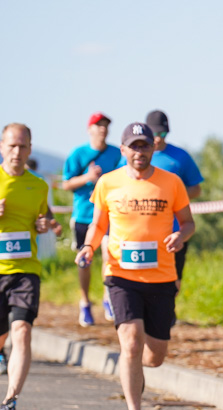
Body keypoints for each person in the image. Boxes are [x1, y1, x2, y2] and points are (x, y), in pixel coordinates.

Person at [75, 122, 195, 410]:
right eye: (133, 146)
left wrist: (180, 236)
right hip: (121, 276)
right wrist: (88, 246)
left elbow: (188, 223)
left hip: (161, 277)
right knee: (130, 343)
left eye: (144, 146)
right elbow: (97, 225)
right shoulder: (108, 183)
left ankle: (136, 370)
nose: (139, 152)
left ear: (152, 148)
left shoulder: (171, 183)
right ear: (123, 150)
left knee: (153, 357)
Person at [0, 124, 60, 410]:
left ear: (30, 149)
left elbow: (41, 217)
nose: (17, 152)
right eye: (11, 146)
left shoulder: (38, 185)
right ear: (1, 147)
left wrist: (42, 225)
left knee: (21, 331)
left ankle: (9, 401)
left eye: (23, 146)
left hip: (25, 270)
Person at [61, 112, 122, 326]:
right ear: (90, 129)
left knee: (109, 254)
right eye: (98, 125)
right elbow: (66, 184)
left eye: (106, 125)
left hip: (108, 215)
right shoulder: (78, 154)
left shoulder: (116, 153)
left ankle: (108, 298)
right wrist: (88, 177)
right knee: (85, 260)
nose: (103, 129)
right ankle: (85, 303)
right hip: (84, 216)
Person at [134, 110, 204, 293]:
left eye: (163, 134)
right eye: (155, 134)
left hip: (175, 229)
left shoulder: (180, 157)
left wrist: (171, 195)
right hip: (142, 230)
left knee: (174, 277)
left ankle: (168, 311)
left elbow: (196, 188)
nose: (158, 139)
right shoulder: (134, 157)